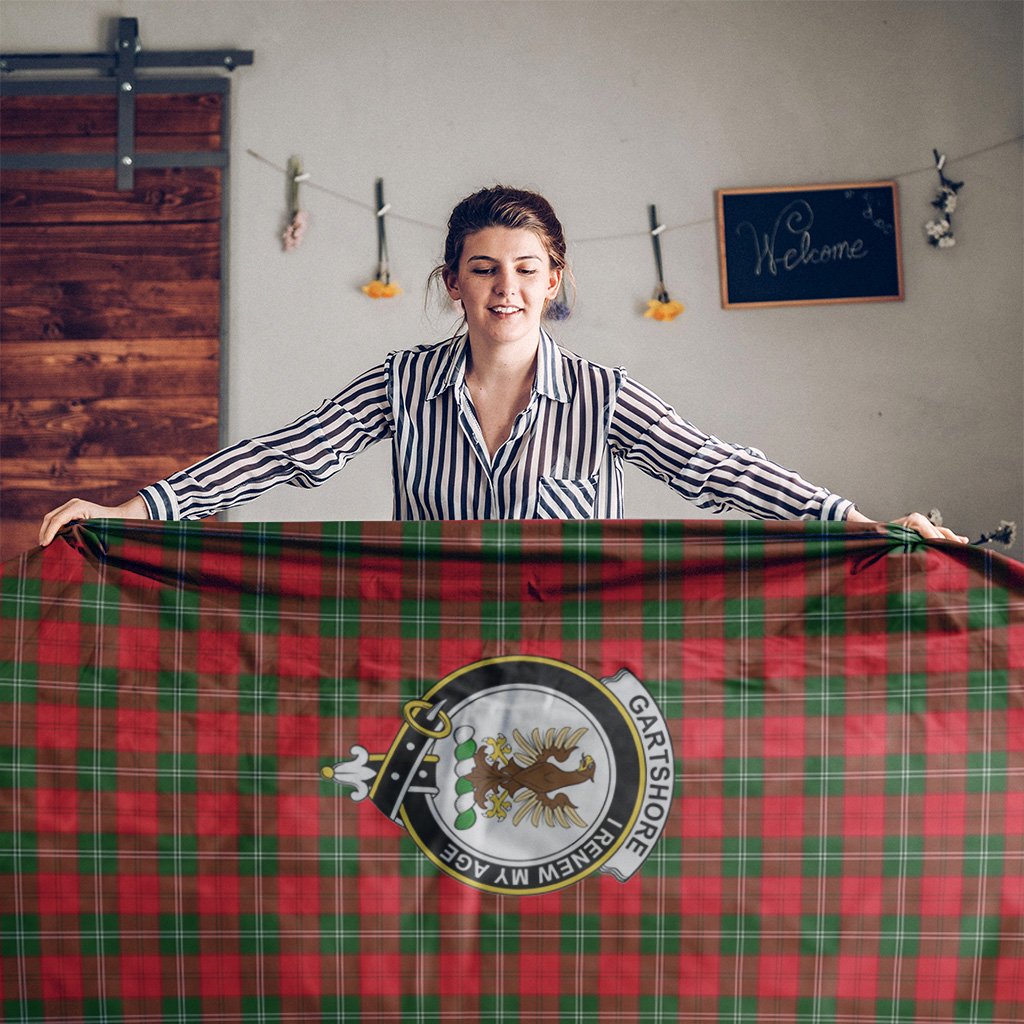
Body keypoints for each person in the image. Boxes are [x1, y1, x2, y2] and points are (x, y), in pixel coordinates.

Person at [38, 186, 968, 547]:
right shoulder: (401, 382)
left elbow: (717, 468)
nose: (506, 289)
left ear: (555, 281)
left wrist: (857, 522)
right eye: (484, 270)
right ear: (453, 283)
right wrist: (137, 511)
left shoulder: (604, 397)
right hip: (428, 647)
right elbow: (285, 456)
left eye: (526, 271)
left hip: (574, 657)